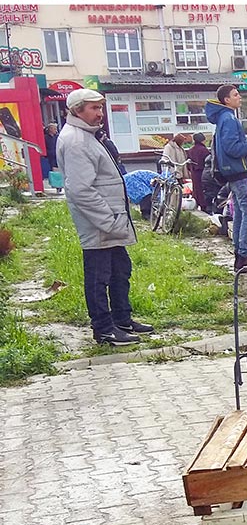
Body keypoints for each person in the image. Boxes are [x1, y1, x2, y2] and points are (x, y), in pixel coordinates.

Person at [56, 88, 153, 347]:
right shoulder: (76, 141)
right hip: (100, 225)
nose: (100, 113)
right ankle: (104, 330)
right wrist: (108, 221)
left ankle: (122, 320)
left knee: (120, 271)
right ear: (77, 111)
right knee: (99, 278)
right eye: (94, 108)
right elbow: (80, 190)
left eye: (100, 107)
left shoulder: (88, 135)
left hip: (110, 221)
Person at [205, 84, 247, 270]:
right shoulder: (229, 118)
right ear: (226, 100)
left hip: (232, 171)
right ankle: (243, 255)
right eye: (235, 95)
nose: (239, 97)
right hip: (238, 172)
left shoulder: (224, 118)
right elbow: (233, 148)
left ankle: (240, 254)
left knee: (239, 212)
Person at [186, 133, 211, 212]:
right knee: (204, 190)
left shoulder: (190, 150)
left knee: (196, 190)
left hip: (194, 173)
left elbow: (187, 163)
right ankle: (205, 206)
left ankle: (197, 203)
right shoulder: (204, 150)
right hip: (204, 173)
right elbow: (209, 162)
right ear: (202, 140)